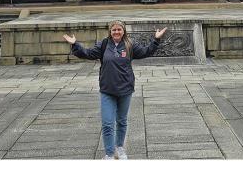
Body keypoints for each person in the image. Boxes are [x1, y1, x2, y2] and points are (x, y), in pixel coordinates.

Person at [63, 21, 167, 159]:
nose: (116, 32)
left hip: (125, 90)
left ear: (123, 31)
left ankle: (120, 148)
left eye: (119, 29)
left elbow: (145, 51)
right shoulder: (103, 45)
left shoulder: (130, 45)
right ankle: (109, 154)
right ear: (110, 32)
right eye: (114, 30)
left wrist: (156, 39)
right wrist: (75, 44)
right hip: (107, 90)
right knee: (107, 123)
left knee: (122, 121)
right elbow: (87, 53)